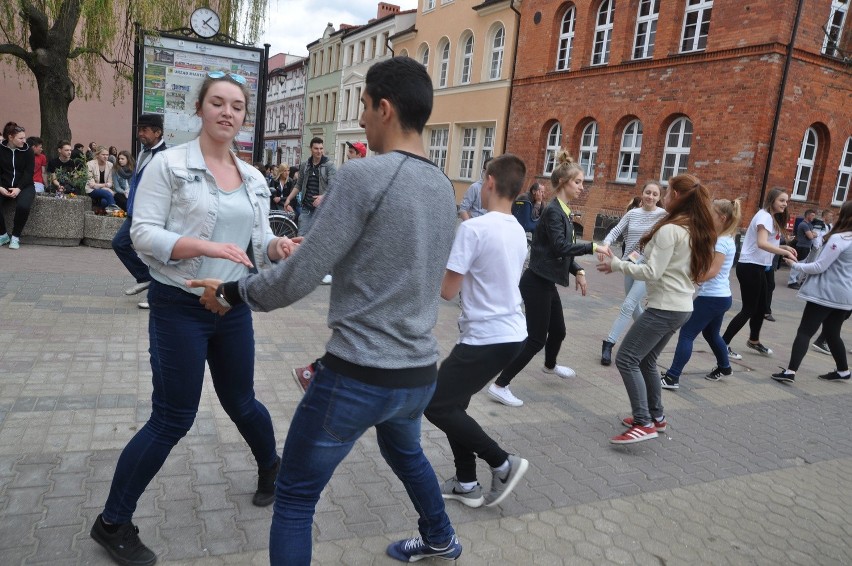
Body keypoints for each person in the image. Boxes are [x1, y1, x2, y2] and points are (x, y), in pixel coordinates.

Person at [187, 56, 463, 565]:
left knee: (293, 498)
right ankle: (441, 538)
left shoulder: (364, 176)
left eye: (363, 106)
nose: (360, 120)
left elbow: (301, 275)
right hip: (418, 373)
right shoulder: (444, 187)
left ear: (384, 108)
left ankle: (441, 537)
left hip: (357, 377)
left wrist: (231, 294)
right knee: (406, 454)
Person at [89, 72, 291, 566]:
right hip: (180, 303)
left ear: (244, 117)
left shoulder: (254, 178)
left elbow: (259, 238)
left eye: (237, 106)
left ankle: (272, 469)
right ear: (199, 109)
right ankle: (112, 522)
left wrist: (278, 246)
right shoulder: (169, 165)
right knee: (173, 417)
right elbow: (142, 234)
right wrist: (202, 246)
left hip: (230, 303)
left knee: (242, 401)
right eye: (217, 102)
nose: (227, 112)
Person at [424, 154, 531, 510]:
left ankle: (501, 462)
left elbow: (447, 291)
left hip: (487, 336)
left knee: (436, 404)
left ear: (488, 182)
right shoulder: (517, 228)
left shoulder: (473, 228)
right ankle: (466, 481)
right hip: (511, 332)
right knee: (455, 406)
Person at [596, 174, 716, 444]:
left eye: (669, 191)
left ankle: (643, 422)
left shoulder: (671, 229)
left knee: (626, 359)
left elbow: (652, 272)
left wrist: (616, 264)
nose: (664, 196)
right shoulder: (691, 227)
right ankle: (656, 417)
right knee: (647, 360)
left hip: (665, 308)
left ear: (676, 197)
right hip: (681, 307)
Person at [488, 150, 595, 407]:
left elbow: (558, 250)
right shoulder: (554, 212)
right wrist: (593, 247)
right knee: (536, 338)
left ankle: (550, 365)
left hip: (545, 281)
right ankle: (500, 384)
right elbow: (560, 247)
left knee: (558, 330)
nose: (582, 187)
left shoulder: (563, 211)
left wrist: (578, 270)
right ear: (562, 183)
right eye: (578, 182)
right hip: (536, 282)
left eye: (582, 182)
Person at [292, 141, 367, 392]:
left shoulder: (345, 171)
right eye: (316, 149)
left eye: (352, 151)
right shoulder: (313, 167)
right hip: (313, 213)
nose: (319, 152)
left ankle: (318, 374)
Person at [660, 198, 743, 389]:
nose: (707, 216)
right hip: (721, 297)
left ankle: (672, 377)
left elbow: (713, 271)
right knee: (712, 333)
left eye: (711, 213)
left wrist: (692, 278)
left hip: (712, 297)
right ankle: (725, 366)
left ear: (721, 218)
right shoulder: (726, 238)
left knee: (687, 333)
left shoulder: (722, 242)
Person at [772, 201, 852, 383]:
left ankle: (790, 372)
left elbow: (819, 266)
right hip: (845, 296)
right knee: (832, 333)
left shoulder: (840, 239)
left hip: (826, 294)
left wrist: (795, 265)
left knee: (805, 332)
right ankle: (843, 370)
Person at [596, 182, 667, 366]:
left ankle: (609, 343)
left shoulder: (664, 216)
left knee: (628, 305)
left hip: (647, 267)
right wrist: (606, 244)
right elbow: (616, 230)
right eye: (647, 192)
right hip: (628, 264)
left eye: (654, 194)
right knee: (635, 310)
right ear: (642, 194)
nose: (650, 196)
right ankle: (649, 343)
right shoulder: (633, 213)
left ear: (659, 198)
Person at [722, 187, 797, 359]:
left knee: (762, 307)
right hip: (750, 267)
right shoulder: (764, 217)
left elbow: (766, 243)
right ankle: (724, 343)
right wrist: (784, 252)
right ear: (772, 200)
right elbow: (762, 243)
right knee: (749, 308)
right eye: (782, 200)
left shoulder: (770, 217)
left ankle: (753, 341)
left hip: (760, 267)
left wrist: (784, 247)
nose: (785, 204)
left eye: (786, 201)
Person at [111, 114, 167, 310]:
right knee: (119, 243)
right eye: (139, 129)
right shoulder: (143, 152)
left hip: (152, 214)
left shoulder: (163, 157)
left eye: (145, 130)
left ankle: (156, 297)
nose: (140, 133)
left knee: (156, 255)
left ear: (158, 132)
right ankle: (145, 277)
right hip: (135, 212)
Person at [0, 122, 35, 250]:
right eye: (20, 138)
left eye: (24, 137)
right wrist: (0, 187)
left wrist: (19, 188)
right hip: (3, 185)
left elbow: (28, 173)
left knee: (23, 206)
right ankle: (3, 235)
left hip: (25, 186)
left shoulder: (28, 151)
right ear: (10, 137)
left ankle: (15, 237)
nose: (24, 141)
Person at [295, 136, 336, 237]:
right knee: (301, 237)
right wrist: (288, 199)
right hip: (307, 209)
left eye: (321, 148)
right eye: (316, 148)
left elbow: (334, 186)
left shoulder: (329, 165)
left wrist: (323, 197)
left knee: (318, 239)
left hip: (322, 210)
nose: (319, 151)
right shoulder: (305, 165)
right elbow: (299, 184)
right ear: (311, 149)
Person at [787, 208, 817, 289]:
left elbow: (814, 233)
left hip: (807, 247)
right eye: (812, 215)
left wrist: (813, 234)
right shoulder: (803, 225)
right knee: (798, 263)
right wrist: (812, 234)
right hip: (802, 247)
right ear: (808, 215)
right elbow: (811, 236)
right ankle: (791, 281)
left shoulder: (809, 225)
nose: (813, 217)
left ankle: (796, 281)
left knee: (802, 264)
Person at [85, 145, 117, 210]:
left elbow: (110, 182)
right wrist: (105, 186)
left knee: (104, 202)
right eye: (103, 155)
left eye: (107, 155)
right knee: (107, 194)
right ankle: (115, 212)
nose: (106, 157)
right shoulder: (90, 164)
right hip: (92, 190)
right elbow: (92, 185)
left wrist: (106, 186)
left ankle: (105, 215)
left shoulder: (110, 165)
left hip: (106, 189)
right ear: (97, 155)